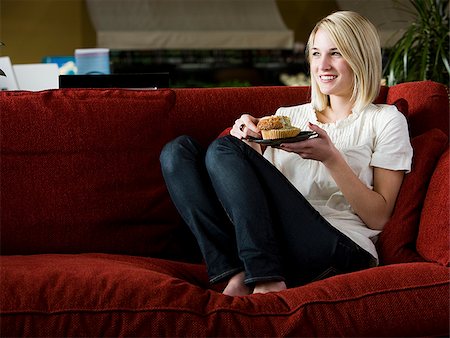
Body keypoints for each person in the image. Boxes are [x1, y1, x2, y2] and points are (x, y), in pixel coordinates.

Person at [160, 11, 413, 296]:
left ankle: (266, 279)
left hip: (339, 248)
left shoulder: (386, 119)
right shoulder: (288, 117)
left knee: (223, 149)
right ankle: (237, 271)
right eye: (316, 54)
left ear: (361, 57)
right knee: (177, 152)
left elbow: (379, 218)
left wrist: (331, 158)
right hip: (277, 244)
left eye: (336, 53)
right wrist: (249, 141)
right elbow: (252, 195)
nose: (323, 65)